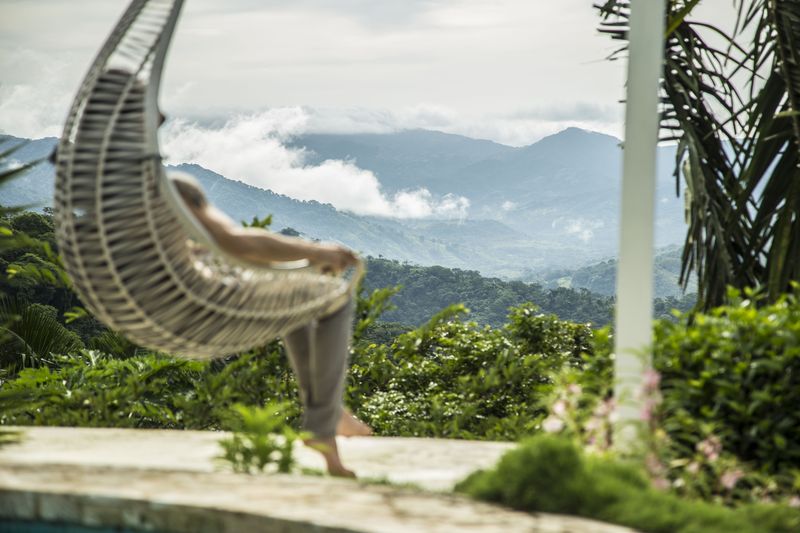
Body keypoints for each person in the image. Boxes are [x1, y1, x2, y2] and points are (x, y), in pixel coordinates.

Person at [171, 172, 372, 478]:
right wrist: (315, 251)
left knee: (294, 306)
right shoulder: (175, 191)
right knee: (336, 297)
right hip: (214, 303)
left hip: (178, 308)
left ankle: (329, 418)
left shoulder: (132, 212)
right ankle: (325, 422)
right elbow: (235, 241)